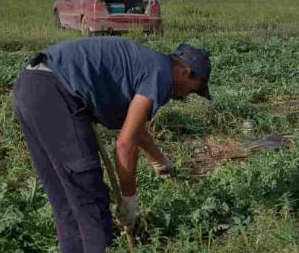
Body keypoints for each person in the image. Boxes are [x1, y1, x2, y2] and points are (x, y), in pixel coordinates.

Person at [11, 36, 211, 252]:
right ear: (185, 72)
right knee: (91, 200)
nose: (184, 96)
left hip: (31, 86)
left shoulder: (148, 63)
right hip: (57, 94)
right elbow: (126, 143)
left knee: (68, 201)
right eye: (191, 90)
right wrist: (129, 200)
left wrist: (159, 160)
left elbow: (134, 126)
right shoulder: (161, 76)